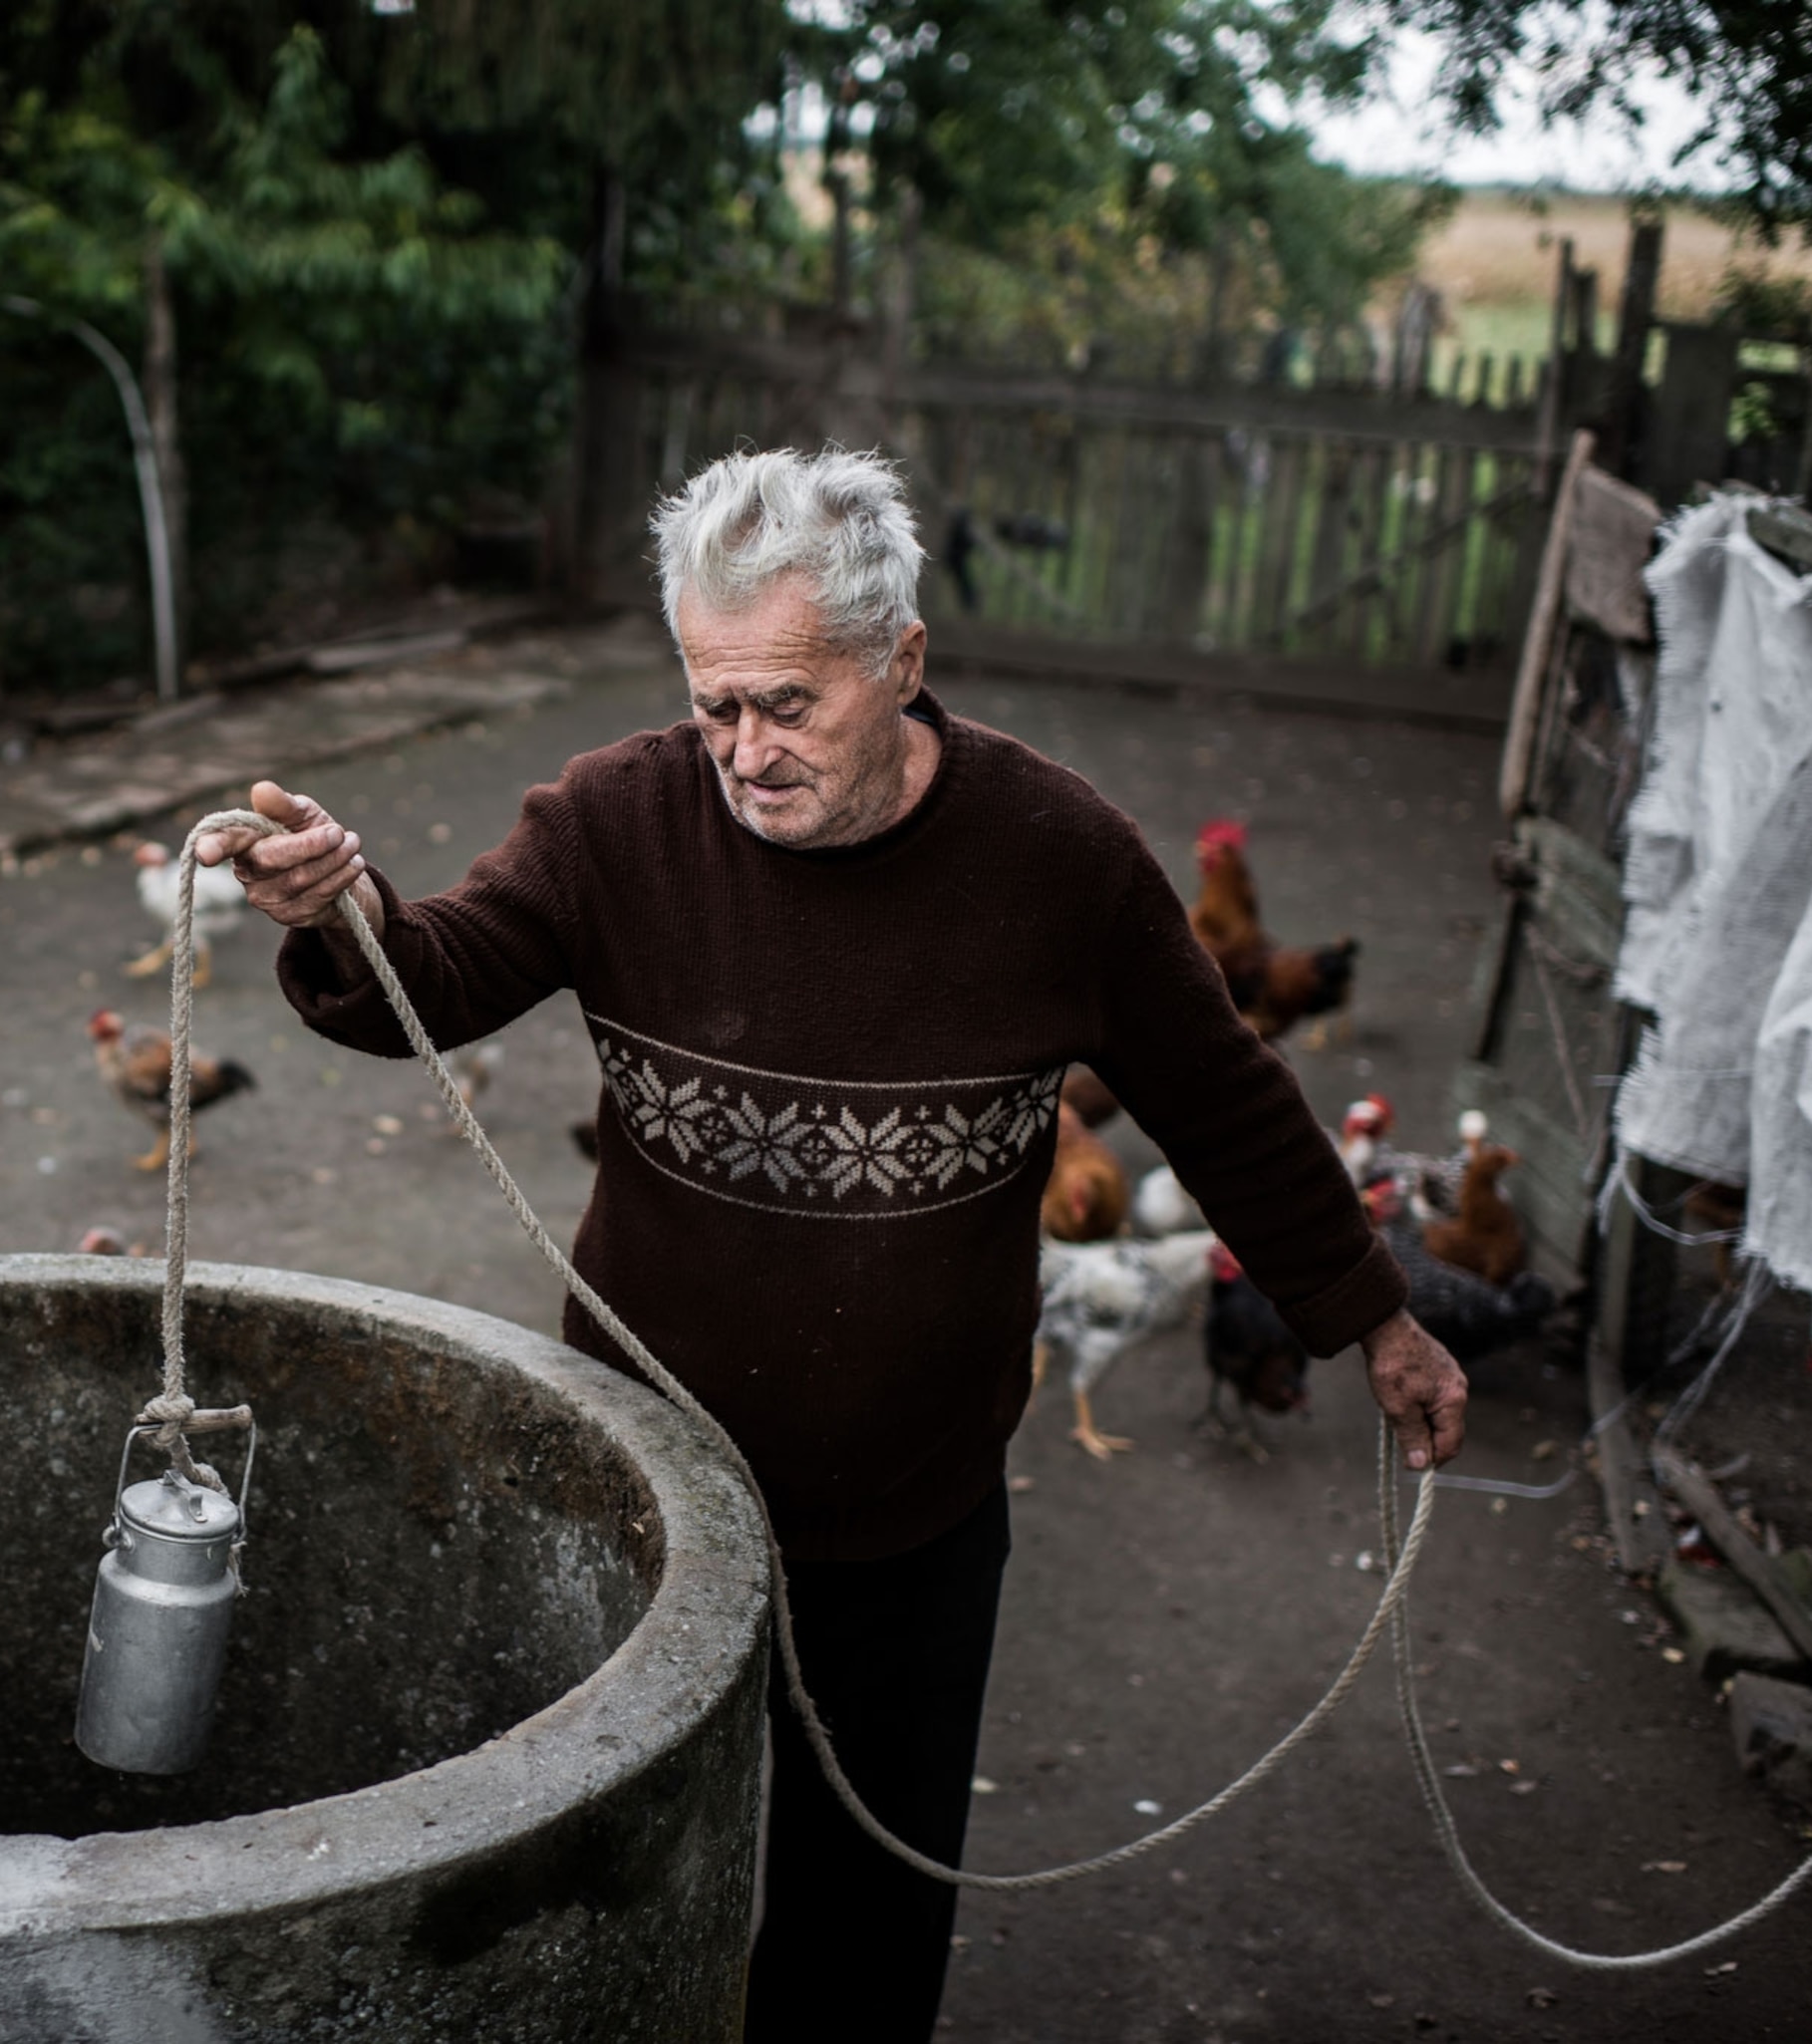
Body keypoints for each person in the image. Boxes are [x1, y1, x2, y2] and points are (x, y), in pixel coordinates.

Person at [196, 445, 1468, 2040]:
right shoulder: (616, 821)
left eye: (788, 704)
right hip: (643, 1489)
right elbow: (434, 975)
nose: (744, 752)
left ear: (903, 661)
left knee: (863, 1933)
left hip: (910, 1515)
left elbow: (1226, 1101)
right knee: (617, 1890)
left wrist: (1373, 1315)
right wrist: (342, 914)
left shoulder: (1060, 862)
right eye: (714, 704)